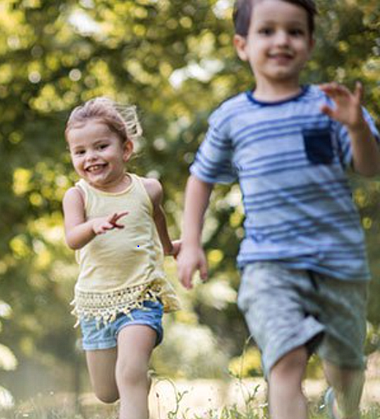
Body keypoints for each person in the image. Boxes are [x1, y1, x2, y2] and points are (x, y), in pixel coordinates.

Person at [176, 1, 380, 418]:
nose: (281, 40)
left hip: (338, 263)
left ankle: (345, 407)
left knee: (345, 370)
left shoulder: (329, 107)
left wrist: (357, 127)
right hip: (269, 265)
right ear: (242, 45)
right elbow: (201, 177)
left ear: (308, 44)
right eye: (267, 31)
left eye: (294, 31)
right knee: (285, 360)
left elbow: (370, 167)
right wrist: (192, 242)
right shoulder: (232, 118)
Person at [61, 98, 180, 419]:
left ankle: (136, 381)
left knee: (128, 372)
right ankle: (138, 384)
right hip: (95, 303)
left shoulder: (148, 189)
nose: (91, 157)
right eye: (80, 151)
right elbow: (72, 238)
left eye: (101, 147)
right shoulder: (77, 196)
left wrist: (169, 247)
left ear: (125, 149)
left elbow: (157, 218)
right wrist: (92, 226)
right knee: (107, 391)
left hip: (142, 296)